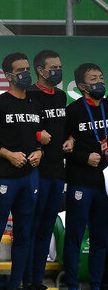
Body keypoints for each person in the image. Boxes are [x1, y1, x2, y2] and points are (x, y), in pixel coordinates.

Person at [0, 52, 44, 290]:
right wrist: (7, 154)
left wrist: (40, 152)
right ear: (8, 75)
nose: (26, 73)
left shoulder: (35, 105)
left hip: (30, 177)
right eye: (20, 70)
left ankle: (16, 283)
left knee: (24, 234)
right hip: (4, 177)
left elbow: (39, 138)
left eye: (27, 68)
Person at [62, 63, 108, 290]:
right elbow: (64, 147)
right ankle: (72, 284)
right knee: (75, 236)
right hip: (81, 182)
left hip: (105, 185)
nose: (99, 82)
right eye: (93, 79)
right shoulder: (73, 111)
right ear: (81, 86)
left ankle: (96, 284)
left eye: (101, 77)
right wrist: (83, 157)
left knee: (101, 238)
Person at [26, 49, 68, 290]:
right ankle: (26, 279)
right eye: (53, 67)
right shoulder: (28, 94)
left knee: (45, 228)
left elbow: (65, 127)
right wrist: (36, 135)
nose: (58, 71)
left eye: (59, 66)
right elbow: (17, 128)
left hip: (56, 171)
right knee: (32, 227)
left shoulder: (61, 96)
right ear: (40, 71)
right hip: (35, 172)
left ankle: (36, 279)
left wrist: (70, 139)